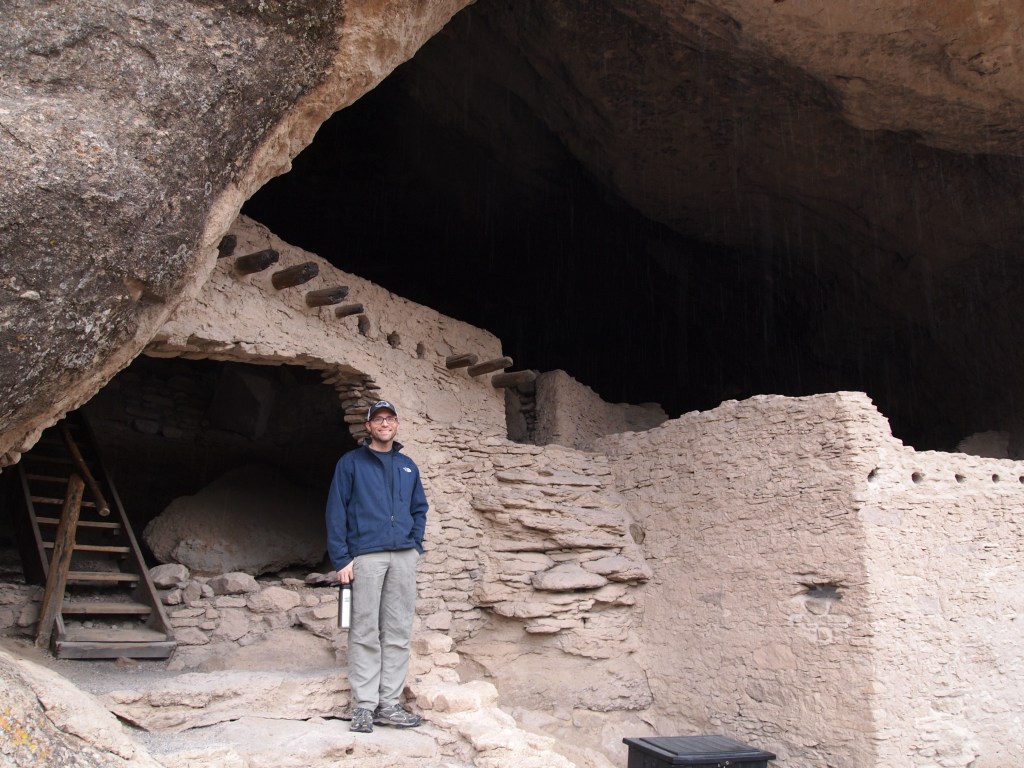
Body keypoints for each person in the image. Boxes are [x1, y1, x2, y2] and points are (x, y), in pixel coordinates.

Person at [326, 399, 428, 733]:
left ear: (396, 424)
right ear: (368, 426)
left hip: (403, 555)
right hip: (367, 555)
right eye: (378, 419)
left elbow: (419, 509)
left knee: (398, 630)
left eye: (390, 418)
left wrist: (414, 545)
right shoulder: (351, 463)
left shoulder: (407, 466)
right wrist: (341, 558)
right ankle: (364, 706)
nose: (385, 423)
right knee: (365, 629)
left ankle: (390, 704)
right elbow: (336, 510)